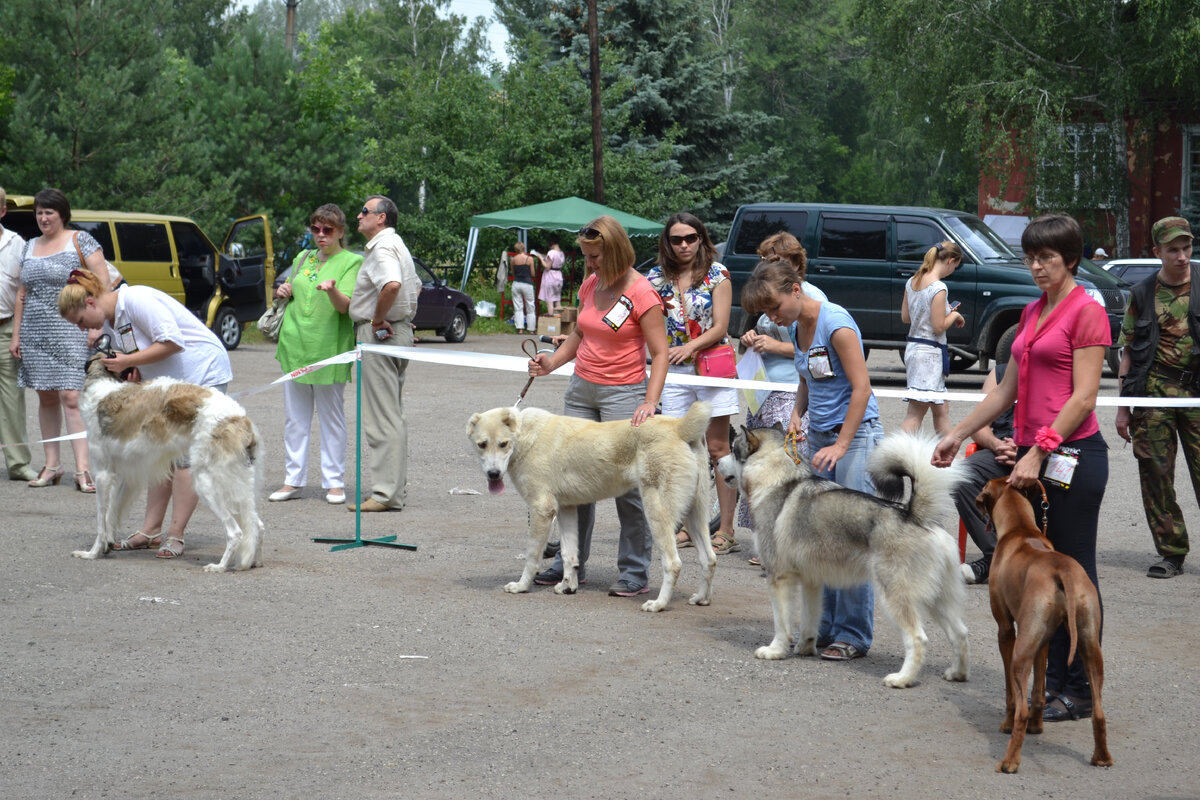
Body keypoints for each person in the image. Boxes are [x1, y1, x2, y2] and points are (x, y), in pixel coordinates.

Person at [933, 213, 1110, 723]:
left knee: (1074, 577)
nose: (1036, 266)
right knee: (1038, 578)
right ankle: (1047, 686)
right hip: (1033, 458)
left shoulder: (1087, 312)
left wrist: (1040, 448)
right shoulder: (1032, 312)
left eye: (1047, 258)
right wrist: (957, 433)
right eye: (1030, 257)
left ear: (1070, 259)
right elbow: (1007, 390)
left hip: (1073, 456)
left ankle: (1077, 689)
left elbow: (1084, 396)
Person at [741, 257, 883, 663]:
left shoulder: (835, 324)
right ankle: (825, 628)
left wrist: (841, 445)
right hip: (820, 435)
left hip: (854, 438)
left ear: (795, 289)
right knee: (824, 538)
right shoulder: (795, 326)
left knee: (854, 537)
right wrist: (797, 413)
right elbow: (806, 377)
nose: (771, 317)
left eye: (774, 307)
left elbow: (861, 388)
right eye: (765, 312)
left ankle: (853, 633)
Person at [527, 215, 668, 597]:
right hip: (581, 390)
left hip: (624, 393)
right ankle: (569, 563)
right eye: (586, 256)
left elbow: (660, 353)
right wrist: (551, 363)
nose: (589, 264)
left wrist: (650, 401)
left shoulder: (642, 293)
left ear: (617, 251)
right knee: (570, 481)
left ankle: (635, 570)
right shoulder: (592, 284)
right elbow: (579, 333)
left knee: (628, 486)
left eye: (595, 256)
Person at [58, 268, 233, 559]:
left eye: (79, 321)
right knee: (157, 453)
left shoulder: (137, 299)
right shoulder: (112, 323)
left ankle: (175, 535)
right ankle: (150, 531)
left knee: (184, 458)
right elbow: (144, 351)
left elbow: (172, 341)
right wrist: (135, 369)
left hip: (202, 372)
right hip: (166, 385)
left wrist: (129, 359)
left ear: (90, 303)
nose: (81, 329)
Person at [646, 212, 740, 554]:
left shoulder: (718, 275)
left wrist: (689, 346)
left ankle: (726, 528)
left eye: (690, 238)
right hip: (674, 371)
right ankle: (689, 525)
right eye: (676, 239)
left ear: (701, 239)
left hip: (711, 367)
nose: (684, 245)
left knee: (717, 448)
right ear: (667, 243)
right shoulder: (654, 278)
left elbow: (720, 325)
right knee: (681, 450)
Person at [1115, 215, 1200, 579]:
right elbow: (1128, 352)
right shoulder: (1141, 293)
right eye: (1173, 250)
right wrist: (1123, 410)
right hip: (1153, 394)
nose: (1181, 256)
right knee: (1156, 475)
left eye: (1187, 247)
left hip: (1197, 394)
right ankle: (1171, 552)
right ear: (1157, 252)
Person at [736, 232, 828, 565]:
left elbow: (816, 350)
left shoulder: (810, 295)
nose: (767, 265)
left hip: (790, 387)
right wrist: (750, 337)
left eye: (774, 260)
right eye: (764, 260)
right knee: (761, 462)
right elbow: (764, 329)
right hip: (762, 385)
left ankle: (786, 537)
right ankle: (766, 538)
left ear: (793, 263)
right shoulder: (769, 296)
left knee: (782, 462)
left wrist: (775, 346)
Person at [269, 204, 362, 505]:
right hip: (294, 346)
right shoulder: (303, 257)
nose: (321, 235)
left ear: (341, 232)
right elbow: (293, 288)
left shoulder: (351, 261)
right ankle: (292, 480)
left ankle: (334, 482)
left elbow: (344, 306)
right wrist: (283, 290)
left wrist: (332, 289)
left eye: (328, 230)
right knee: (295, 420)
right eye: (316, 229)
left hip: (328, 350)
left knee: (331, 418)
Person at [8, 188, 100, 492]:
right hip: (35, 331)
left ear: (62, 213)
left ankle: (83, 469)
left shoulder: (80, 240)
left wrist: (97, 326)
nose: (43, 218)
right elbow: (22, 293)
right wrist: (17, 334)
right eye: (39, 212)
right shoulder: (30, 245)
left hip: (72, 327)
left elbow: (104, 282)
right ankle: (51, 465)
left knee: (71, 398)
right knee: (46, 397)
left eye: (49, 212)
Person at [347, 195, 420, 513]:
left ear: (382, 218)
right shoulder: (397, 245)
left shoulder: (381, 246)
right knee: (392, 414)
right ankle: (392, 490)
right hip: (397, 331)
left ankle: (386, 494)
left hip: (380, 335)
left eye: (365, 211)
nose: (358, 215)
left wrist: (377, 319)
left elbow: (392, 285)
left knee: (382, 417)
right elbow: (414, 286)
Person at [952, 365, 1017, 585]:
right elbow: (980, 426)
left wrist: (1030, 450)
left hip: (1043, 449)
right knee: (961, 475)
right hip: (1000, 451)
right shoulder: (999, 372)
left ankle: (997, 563)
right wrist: (997, 445)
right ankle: (998, 556)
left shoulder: (1056, 367)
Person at [900, 241, 965, 436]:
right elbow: (938, 327)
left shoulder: (913, 280)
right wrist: (954, 315)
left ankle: (949, 453)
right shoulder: (939, 287)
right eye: (955, 266)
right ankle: (897, 456)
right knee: (916, 413)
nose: (953, 270)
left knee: (941, 409)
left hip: (914, 349)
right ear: (950, 261)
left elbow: (906, 317)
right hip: (929, 353)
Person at [0, 188, 36, 482]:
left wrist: (19, 335)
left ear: (2, 212)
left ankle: (18, 464)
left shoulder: (17, 244)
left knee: (12, 400)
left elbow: (24, 293)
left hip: (6, 329)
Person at [508, 242, 538, 333]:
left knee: (518, 307)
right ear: (524, 248)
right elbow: (533, 274)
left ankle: (520, 328)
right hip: (527, 284)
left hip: (516, 283)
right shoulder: (529, 259)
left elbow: (512, 273)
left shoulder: (513, 260)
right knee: (530, 306)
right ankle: (531, 329)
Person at [537, 235, 565, 316]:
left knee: (549, 301)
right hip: (559, 276)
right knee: (558, 300)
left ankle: (552, 323)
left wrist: (540, 258)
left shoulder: (551, 253)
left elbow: (547, 266)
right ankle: (560, 321)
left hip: (550, 276)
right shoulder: (561, 253)